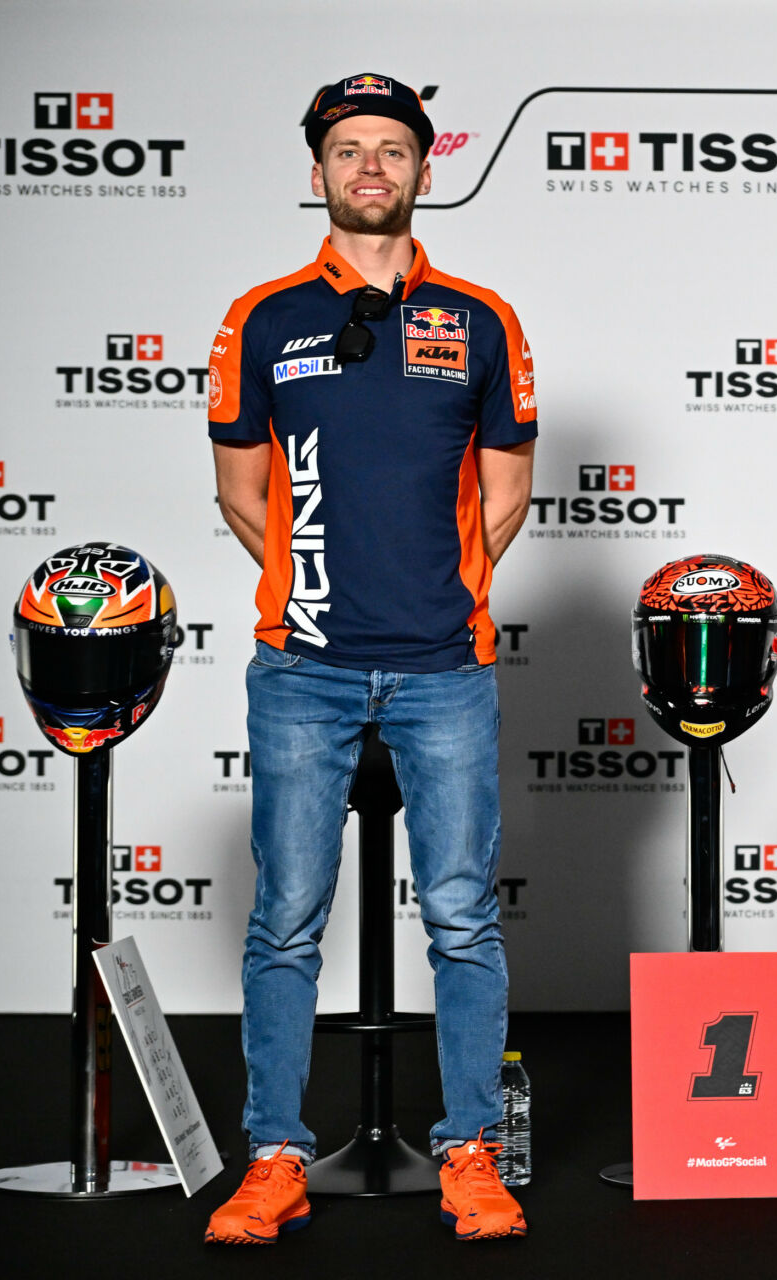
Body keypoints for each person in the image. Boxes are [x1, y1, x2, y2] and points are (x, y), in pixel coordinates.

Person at [202, 73, 536, 1245]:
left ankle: (472, 1151)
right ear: (319, 174)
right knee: (287, 918)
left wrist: (433, 597)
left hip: (447, 666)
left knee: (461, 918)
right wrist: (321, 593)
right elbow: (244, 497)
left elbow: (503, 499)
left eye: (392, 148)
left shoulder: (482, 319)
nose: (372, 168)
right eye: (350, 150)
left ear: (421, 169)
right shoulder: (261, 317)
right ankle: (276, 1153)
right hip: (303, 665)